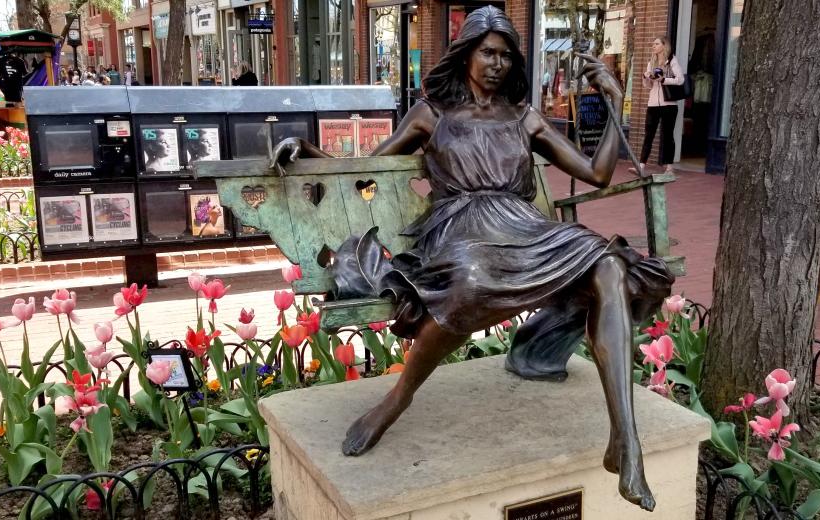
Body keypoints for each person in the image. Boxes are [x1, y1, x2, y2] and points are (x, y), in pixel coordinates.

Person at [273, 6, 672, 510]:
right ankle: (399, 397)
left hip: (525, 228)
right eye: (487, 51)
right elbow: (364, 170)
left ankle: (626, 441)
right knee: (471, 282)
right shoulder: (431, 114)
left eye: (506, 55)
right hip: (460, 228)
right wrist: (305, 150)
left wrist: (615, 104)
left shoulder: (524, 117)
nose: (497, 63)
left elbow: (596, 174)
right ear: (465, 54)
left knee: (609, 264)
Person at [638, 37, 684, 174]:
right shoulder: (651, 62)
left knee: (667, 135)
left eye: (656, 44)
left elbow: (680, 80)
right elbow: (648, 86)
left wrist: (663, 79)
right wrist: (645, 78)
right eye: (653, 44)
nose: (653, 46)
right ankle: (641, 165)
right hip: (652, 104)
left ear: (664, 46)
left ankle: (669, 166)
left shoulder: (672, 61)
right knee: (648, 134)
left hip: (668, 104)